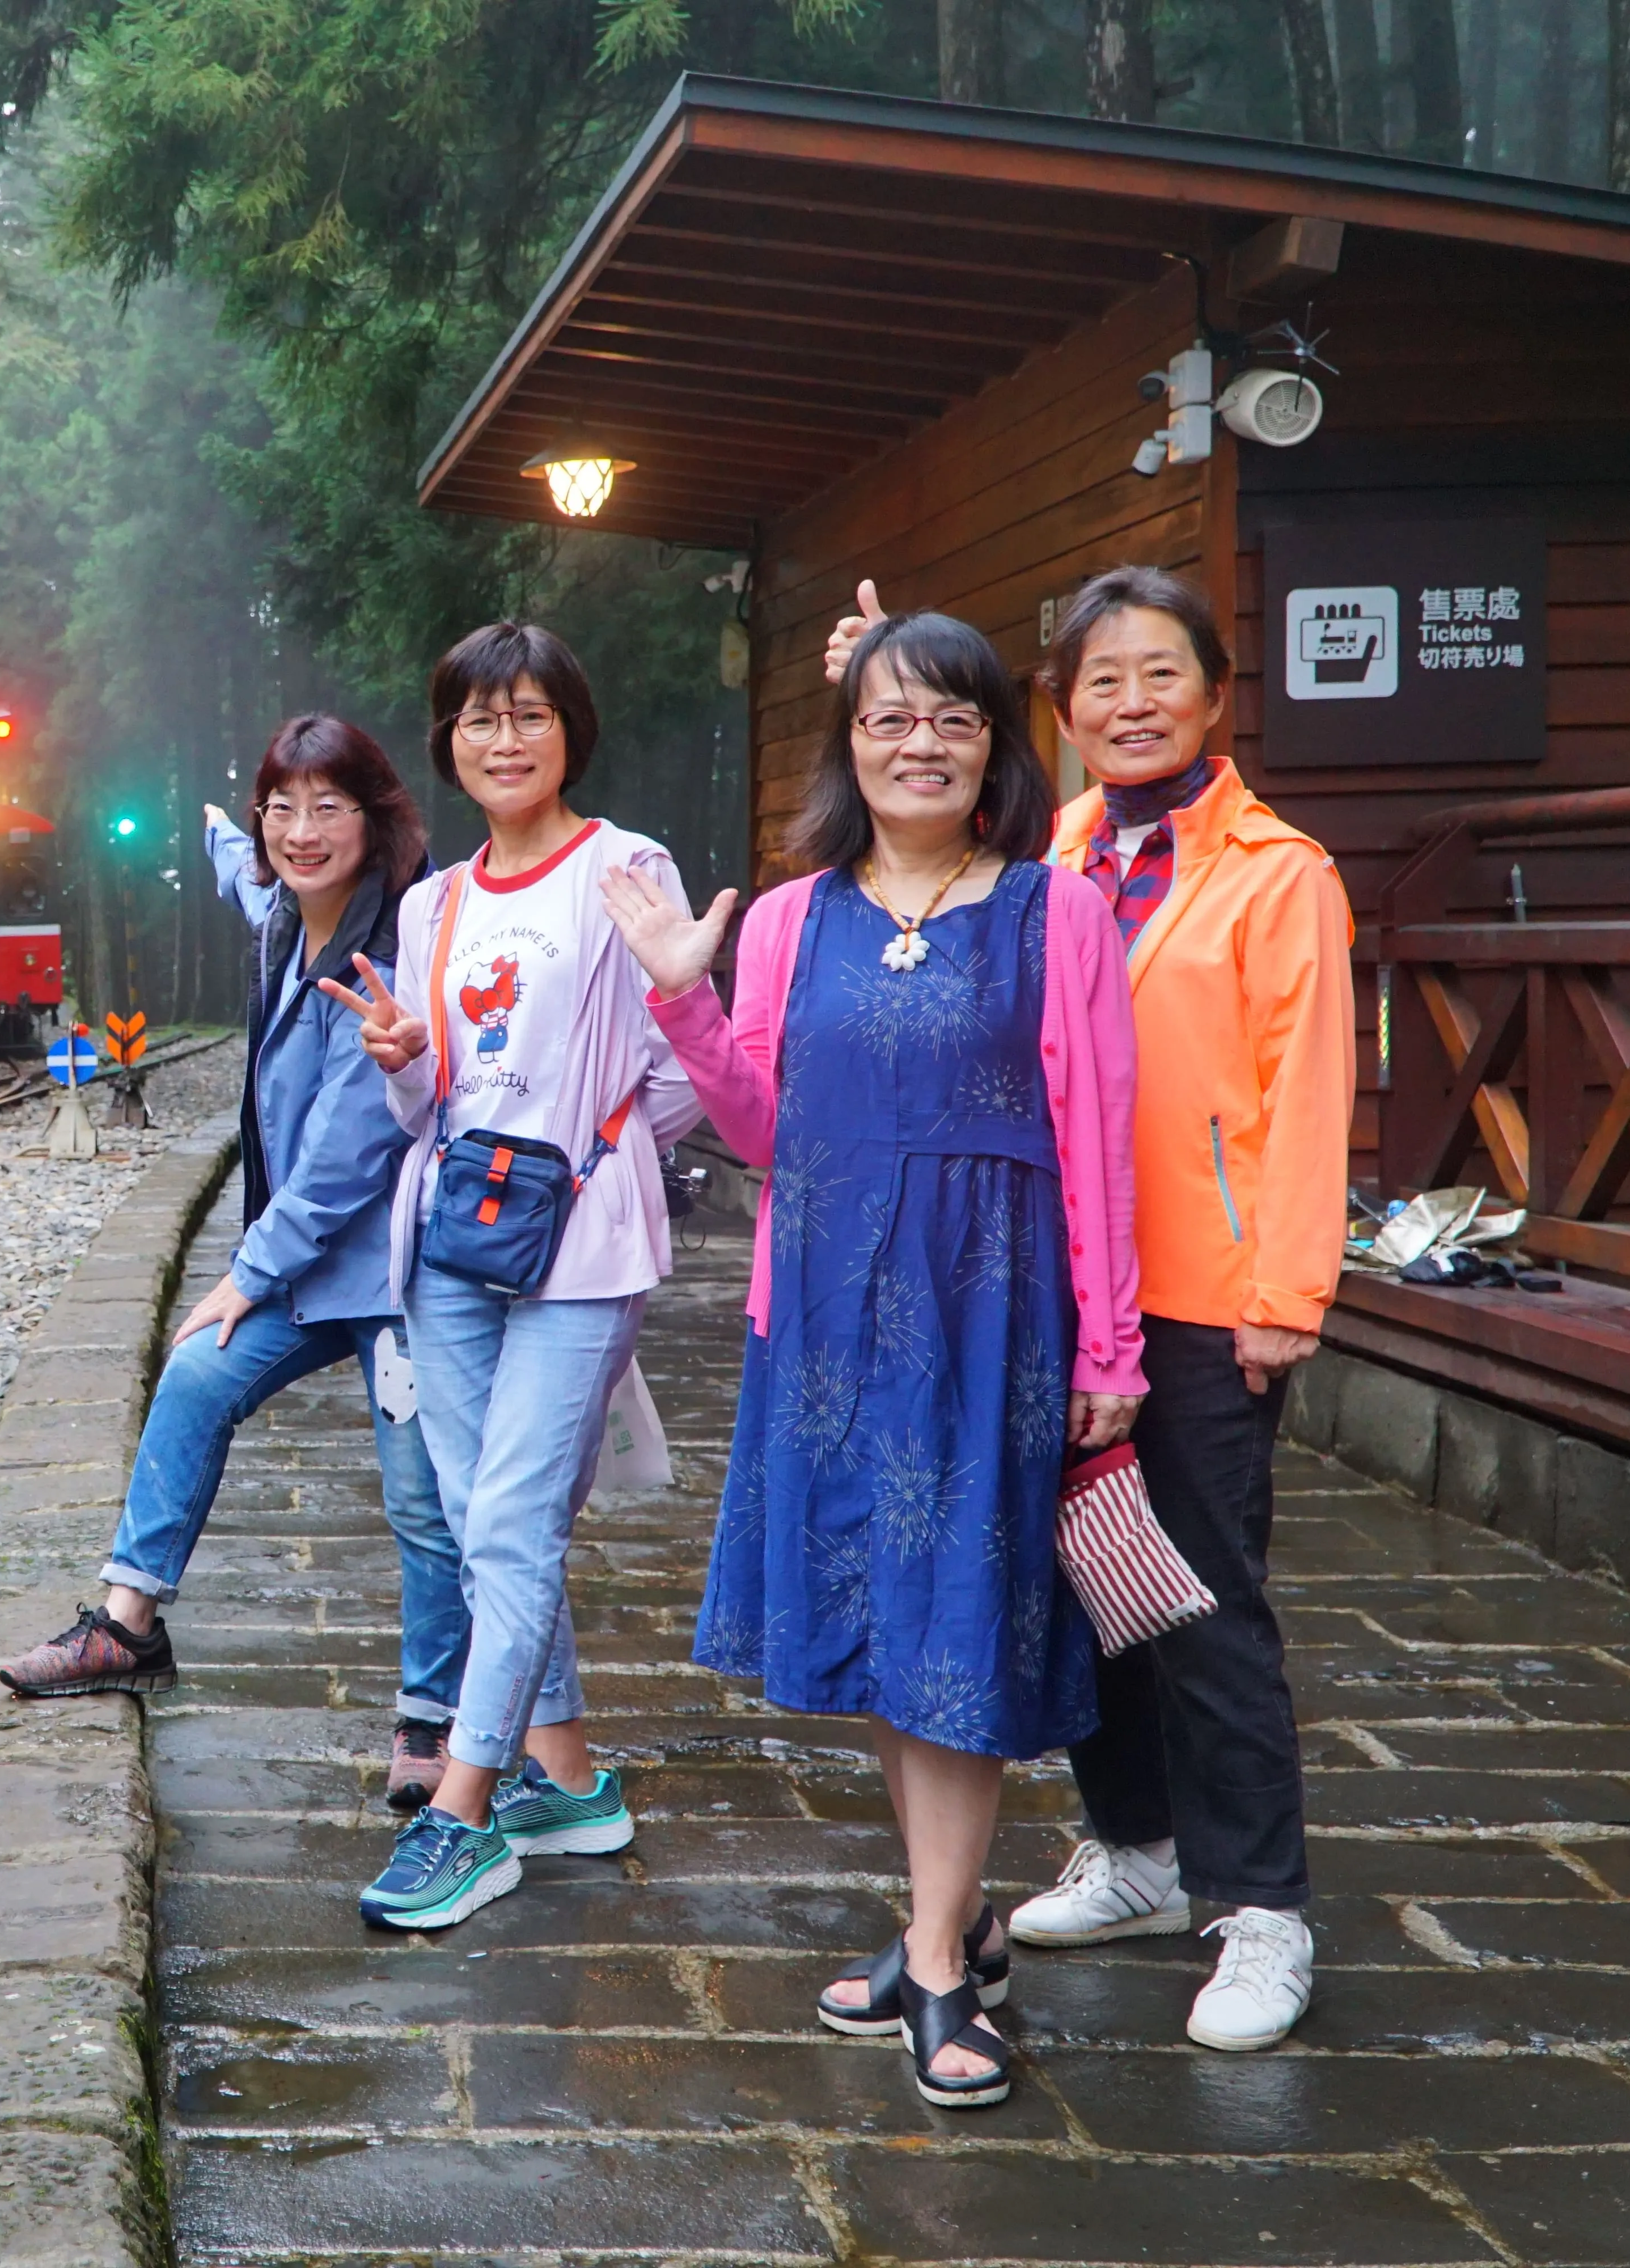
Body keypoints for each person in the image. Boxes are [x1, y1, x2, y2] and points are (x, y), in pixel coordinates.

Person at [604, 609, 1143, 2112]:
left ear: (994, 750)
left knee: (959, 1630)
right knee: (899, 1640)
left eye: (953, 720)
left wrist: (1111, 1349)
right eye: (890, 718)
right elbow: (770, 1133)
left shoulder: (1058, 913)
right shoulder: (787, 920)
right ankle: (946, 1920)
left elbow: (1098, 1146)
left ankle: (936, 1964)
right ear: (850, 744)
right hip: (834, 1320)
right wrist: (681, 997)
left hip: (994, 1319)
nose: (921, 743)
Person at [823, 567, 1353, 2051]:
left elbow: (1310, 1091)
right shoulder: (1046, 861)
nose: (1131, 704)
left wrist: (1286, 1293)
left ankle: (1260, 1913)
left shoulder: (1275, 872)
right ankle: (1131, 1847)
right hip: (1044, 1291)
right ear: (1059, 711)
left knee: (1199, 1601)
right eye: (1101, 681)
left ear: (1214, 694)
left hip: (1207, 1294)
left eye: (1160, 676)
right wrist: (883, 665)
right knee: (1086, 1589)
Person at [0, 716, 468, 1804]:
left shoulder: (389, 948)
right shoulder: (282, 922)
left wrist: (247, 1273)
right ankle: (127, 1629)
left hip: (397, 1271)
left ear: (377, 818)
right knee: (198, 1375)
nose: (301, 832)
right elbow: (244, 882)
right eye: (281, 808)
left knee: (420, 1500)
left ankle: (431, 1721)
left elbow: (353, 1154)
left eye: (328, 808)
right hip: (314, 1273)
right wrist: (214, 830)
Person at [318, 621, 701, 1933]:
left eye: (529, 714)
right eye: (479, 719)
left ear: (569, 731)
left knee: (510, 1523)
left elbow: (684, 1064)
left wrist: (589, 1164)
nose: (503, 738)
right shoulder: (435, 902)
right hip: (448, 1239)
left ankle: (465, 1814)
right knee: (491, 1516)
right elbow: (434, 1098)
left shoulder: (626, 867)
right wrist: (399, 1057)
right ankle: (576, 1784)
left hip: (579, 1243)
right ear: (450, 743)